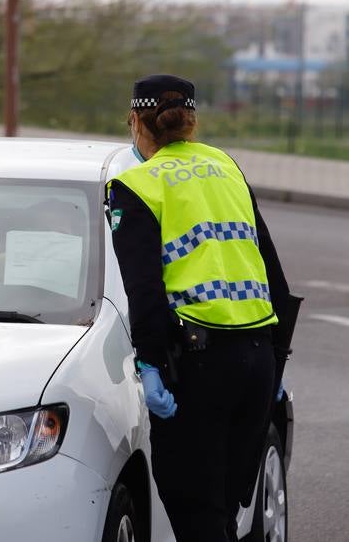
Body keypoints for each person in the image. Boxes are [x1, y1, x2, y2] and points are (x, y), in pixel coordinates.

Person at [106, 73, 291, 542]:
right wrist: (278, 360)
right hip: (257, 361)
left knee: (196, 512)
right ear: (192, 121)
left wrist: (149, 365)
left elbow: (144, 292)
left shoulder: (137, 185)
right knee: (223, 512)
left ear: (135, 122)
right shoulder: (227, 167)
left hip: (200, 369)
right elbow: (273, 273)